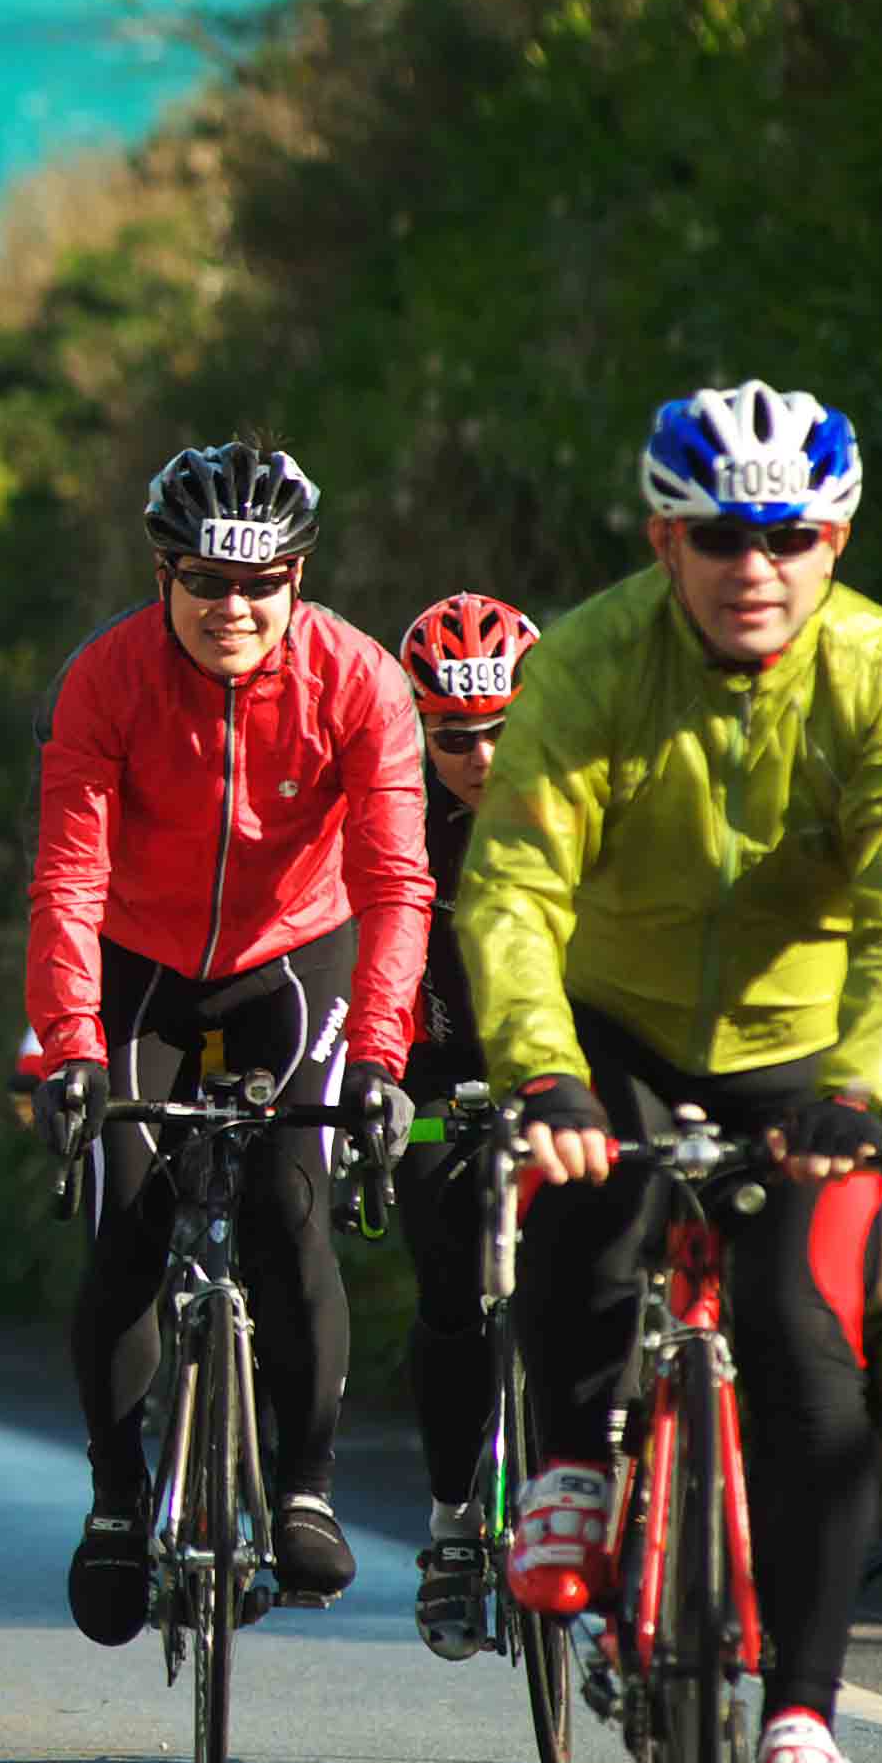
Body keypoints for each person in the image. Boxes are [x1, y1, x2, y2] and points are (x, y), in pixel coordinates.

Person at [460, 381, 882, 1763]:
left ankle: (802, 1716)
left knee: (809, 1351)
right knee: (582, 1197)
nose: (758, 569)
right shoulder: (594, 665)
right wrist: (541, 1073)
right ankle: (567, 1468)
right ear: (661, 540)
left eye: (792, 537)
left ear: (839, 538)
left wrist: (870, 1088)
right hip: (615, 1019)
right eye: (720, 537)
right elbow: (511, 893)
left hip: (810, 1055)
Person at [29, 439, 431, 1646]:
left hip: (288, 962)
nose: (233, 608)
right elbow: (65, 879)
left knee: (286, 1206)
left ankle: (301, 1489)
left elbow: (396, 882)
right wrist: (70, 1049)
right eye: (206, 580)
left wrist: (378, 1061)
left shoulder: (359, 681)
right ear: (164, 573)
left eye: (261, 583)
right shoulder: (103, 677)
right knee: (129, 1215)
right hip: (138, 966)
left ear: (297, 578)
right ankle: (113, 1499)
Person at [387, 591, 543, 1661]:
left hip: (565, 1072)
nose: (479, 756)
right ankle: (451, 1526)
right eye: (451, 736)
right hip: (441, 1072)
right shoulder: (398, 815)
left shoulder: (584, 803)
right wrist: (378, 1083)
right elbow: (366, 957)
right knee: (449, 1294)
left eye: (501, 730)